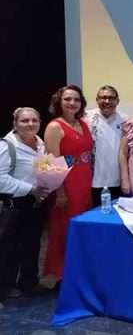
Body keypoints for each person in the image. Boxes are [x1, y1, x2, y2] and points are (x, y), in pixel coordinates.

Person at [43, 85, 93, 281]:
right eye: (67, 99)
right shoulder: (55, 127)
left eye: (76, 99)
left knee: (80, 228)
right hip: (66, 186)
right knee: (64, 229)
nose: (72, 103)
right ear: (59, 102)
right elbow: (51, 164)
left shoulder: (83, 124)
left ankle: (76, 271)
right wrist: (60, 192)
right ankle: (59, 274)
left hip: (84, 183)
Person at [0, 108, 50, 301]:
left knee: (32, 244)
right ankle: (6, 286)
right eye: (25, 121)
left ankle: (29, 282)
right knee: (9, 248)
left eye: (34, 120)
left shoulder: (40, 143)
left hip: (35, 202)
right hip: (14, 203)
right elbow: (1, 179)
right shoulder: (6, 146)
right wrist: (30, 189)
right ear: (15, 123)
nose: (30, 124)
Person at [84, 85, 128, 207]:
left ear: (117, 101)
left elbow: (125, 152)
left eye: (111, 98)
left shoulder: (125, 120)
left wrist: (125, 179)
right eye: (103, 97)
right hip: (91, 180)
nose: (107, 101)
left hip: (116, 180)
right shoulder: (85, 117)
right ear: (97, 100)